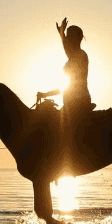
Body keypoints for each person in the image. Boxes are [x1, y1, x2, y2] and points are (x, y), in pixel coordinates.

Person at [36, 18, 96, 171]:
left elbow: (70, 83)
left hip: (78, 102)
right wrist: (45, 94)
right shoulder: (73, 57)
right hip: (71, 103)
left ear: (77, 39)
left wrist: (61, 35)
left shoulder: (80, 56)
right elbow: (66, 86)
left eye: (70, 37)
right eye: (67, 37)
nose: (68, 40)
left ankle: (65, 162)